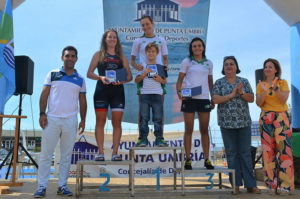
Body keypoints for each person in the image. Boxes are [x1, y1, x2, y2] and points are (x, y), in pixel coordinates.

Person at [34, 46, 87, 198]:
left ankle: (62, 186)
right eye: (67, 55)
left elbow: (83, 102)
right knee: (45, 154)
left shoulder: (81, 79)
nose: (70, 58)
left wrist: (83, 120)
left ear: (76, 59)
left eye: (73, 56)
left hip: (71, 120)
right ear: (62, 57)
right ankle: (41, 186)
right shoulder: (52, 74)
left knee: (66, 155)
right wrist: (42, 113)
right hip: (51, 119)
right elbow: (44, 95)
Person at [212, 56, 260, 194]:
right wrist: (231, 95)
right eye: (226, 64)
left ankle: (251, 185)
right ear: (223, 68)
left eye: (231, 64)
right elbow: (215, 99)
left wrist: (241, 92)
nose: (228, 66)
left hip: (243, 123)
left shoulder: (243, 81)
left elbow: (251, 99)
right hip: (226, 124)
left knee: (245, 154)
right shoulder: (219, 83)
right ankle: (236, 185)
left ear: (236, 66)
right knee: (232, 155)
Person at [87, 29, 132, 161]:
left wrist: (122, 81)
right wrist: (100, 77)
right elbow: (89, 73)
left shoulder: (121, 57)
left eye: (114, 37)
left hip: (117, 92)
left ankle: (115, 153)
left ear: (117, 40)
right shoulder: (98, 55)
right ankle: (100, 153)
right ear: (105, 39)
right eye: (110, 37)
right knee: (100, 122)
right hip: (102, 91)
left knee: (117, 123)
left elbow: (129, 76)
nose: (112, 39)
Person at [256, 58, 294, 195]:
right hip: (266, 117)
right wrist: (265, 91)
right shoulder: (260, 85)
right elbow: (259, 103)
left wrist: (274, 87)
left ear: (276, 69)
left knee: (284, 151)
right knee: (267, 152)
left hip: (281, 117)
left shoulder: (282, 83)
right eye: (265, 66)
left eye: (270, 67)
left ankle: (285, 186)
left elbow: (283, 99)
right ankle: (271, 184)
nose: (267, 69)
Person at [176, 37, 214, 170]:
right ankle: (188, 159)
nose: (197, 48)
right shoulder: (187, 61)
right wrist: (179, 92)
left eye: (199, 46)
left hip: (204, 98)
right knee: (189, 129)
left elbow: (210, 81)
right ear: (191, 49)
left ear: (203, 48)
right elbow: (180, 78)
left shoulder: (209, 63)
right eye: (194, 46)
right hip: (189, 98)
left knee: (204, 130)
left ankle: (207, 159)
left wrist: (212, 97)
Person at [130, 15, 168, 143]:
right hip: (143, 77)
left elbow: (165, 59)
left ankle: (160, 138)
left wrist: (165, 71)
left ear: (153, 23)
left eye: (147, 24)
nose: (145, 27)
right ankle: (142, 138)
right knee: (143, 112)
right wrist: (137, 67)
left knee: (159, 111)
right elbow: (132, 61)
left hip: (158, 77)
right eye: (143, 25)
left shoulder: (161, 40)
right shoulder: (138, 41)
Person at [135, 43, 168, 147]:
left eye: (153, 51)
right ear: (146, 53)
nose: (151, 53)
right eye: (149, 51)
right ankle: (143, 139)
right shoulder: (142, 66)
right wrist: (144, 73)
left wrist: (160, 79)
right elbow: (136, 80)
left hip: (158, 95)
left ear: (157, 53)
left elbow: (165, 82)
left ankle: (159, 139)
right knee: (144, 118)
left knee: (158, 118)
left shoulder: (161, 67)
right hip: (145, 95)